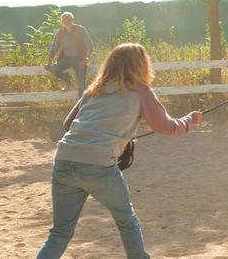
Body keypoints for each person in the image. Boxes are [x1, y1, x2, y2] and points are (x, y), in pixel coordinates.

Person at [37, 43, 203, 259]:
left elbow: (68, 125)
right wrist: (190, 120)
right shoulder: (141, 91)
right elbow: (168, 128)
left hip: (64, 159)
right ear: (141, 65)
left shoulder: (93, 90)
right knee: (126, 220)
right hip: (99, 165)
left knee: (59, 233)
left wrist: (114, 132)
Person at [45, 12, 94, 97]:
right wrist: (48, 62)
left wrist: (86, 60)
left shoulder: (80, 29)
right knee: (53, 69)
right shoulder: (60, 32)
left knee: (82, 86)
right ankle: (66, 79)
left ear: (72, 20)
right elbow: (54, 48)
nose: (66, 21)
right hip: (65, 59)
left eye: (68, 19)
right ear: (62, 21)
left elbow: (89, 44)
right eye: (64, 19)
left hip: (80, 59)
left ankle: (82, 107)